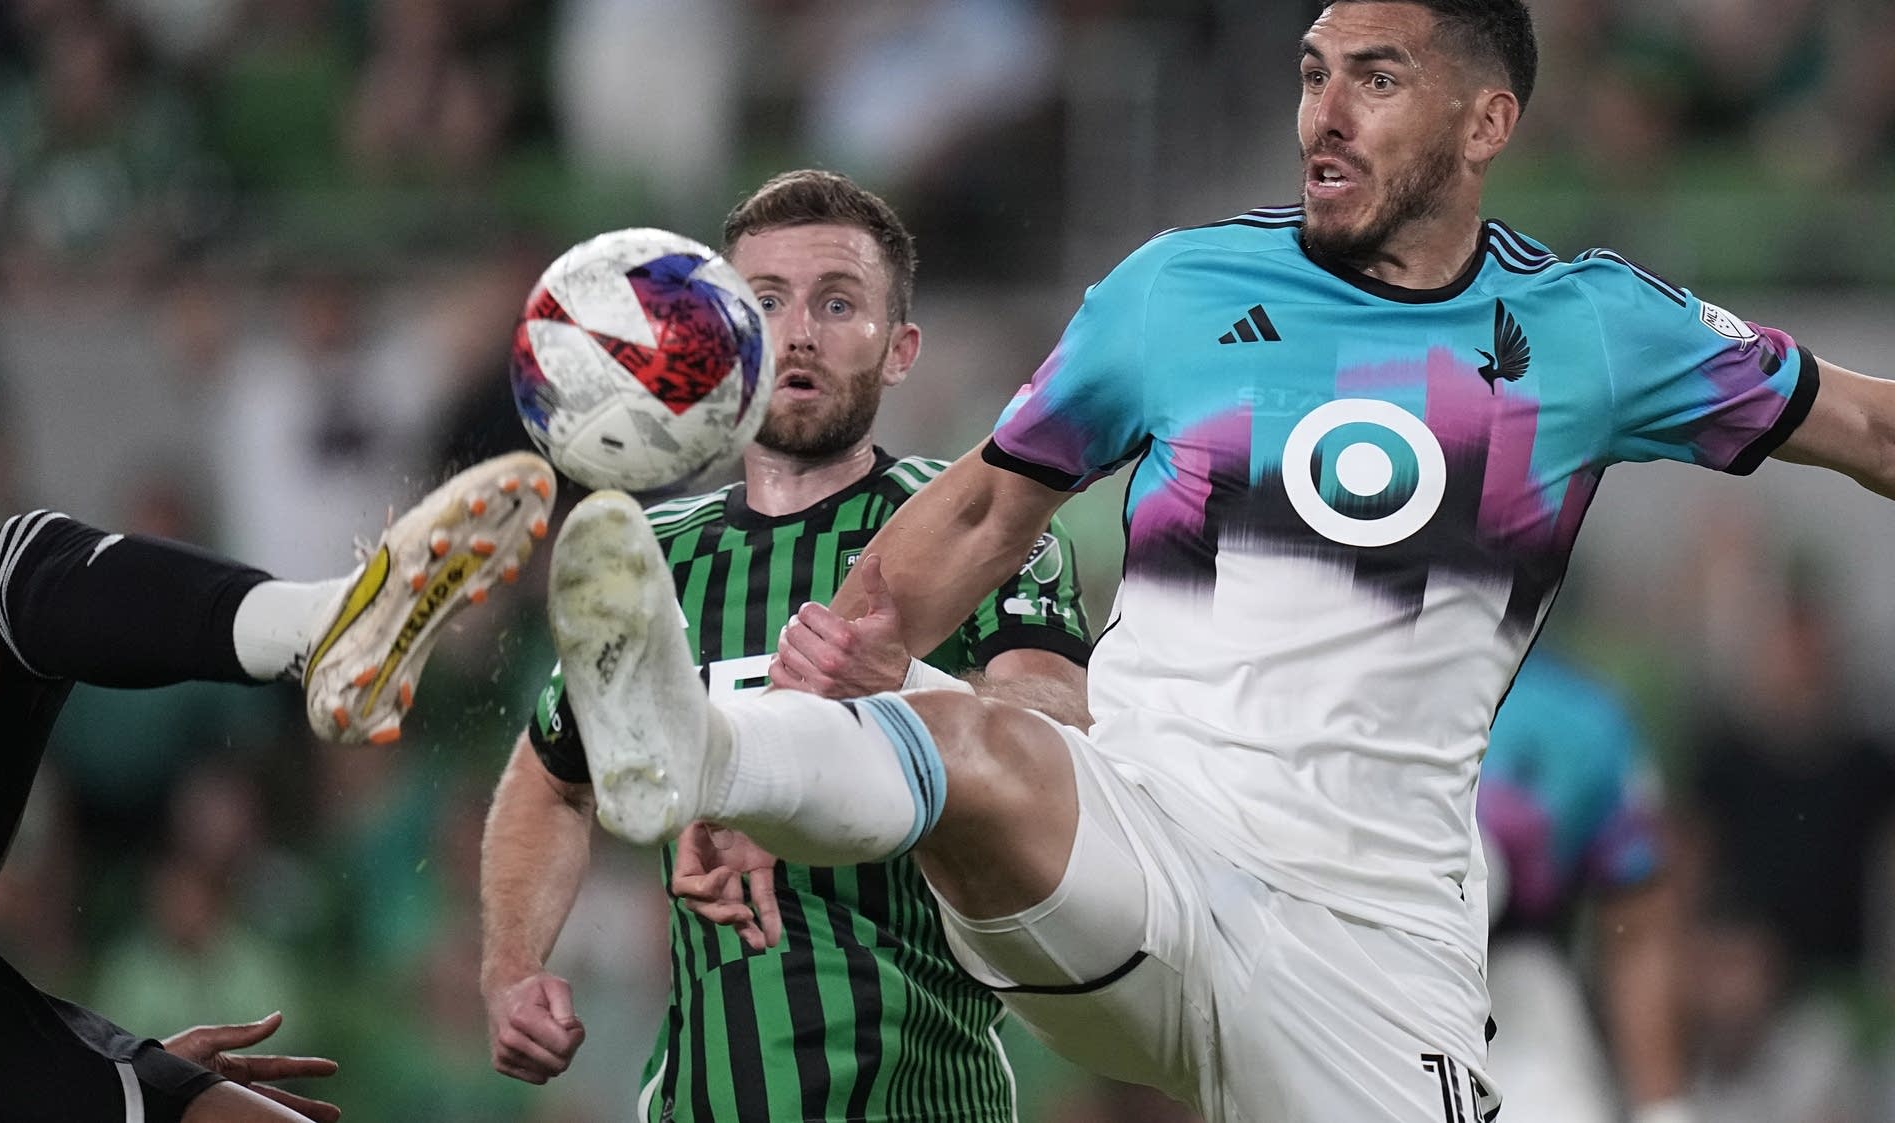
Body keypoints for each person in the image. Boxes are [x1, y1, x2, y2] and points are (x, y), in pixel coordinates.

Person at [538, 0, 1895, 1117]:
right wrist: (776, 749)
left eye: (1375, 78)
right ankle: (705, 740)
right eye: (1310, 74)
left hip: (1373, 947)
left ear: (1486, 123)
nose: (1324, 112)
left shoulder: (1590, 326)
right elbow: (980, 513)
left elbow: (1868, 424)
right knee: (968, 736)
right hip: (1143, 838)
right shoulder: (1174, 290)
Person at [479, 168, 1094, 1121]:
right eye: (764, 302)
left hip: (925, 1097)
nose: (798, 331)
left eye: (837, 303)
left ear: (901, 350)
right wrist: (513, 966)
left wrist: (909, 685)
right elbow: (555, 774)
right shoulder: (654, 558)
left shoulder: (972, 527)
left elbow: (1066, 736)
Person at [0, 450, 557, 1122]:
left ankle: (326, 630)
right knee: (22, 576)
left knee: (24, 580)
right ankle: (321, 630)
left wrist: (118, 1075)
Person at [1479, 646, 1687, 1123]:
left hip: (1510, 988)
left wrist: (1665, 1111)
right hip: (1346, 962)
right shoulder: (1327, 674)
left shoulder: (1582, 719)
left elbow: (1636, 931)